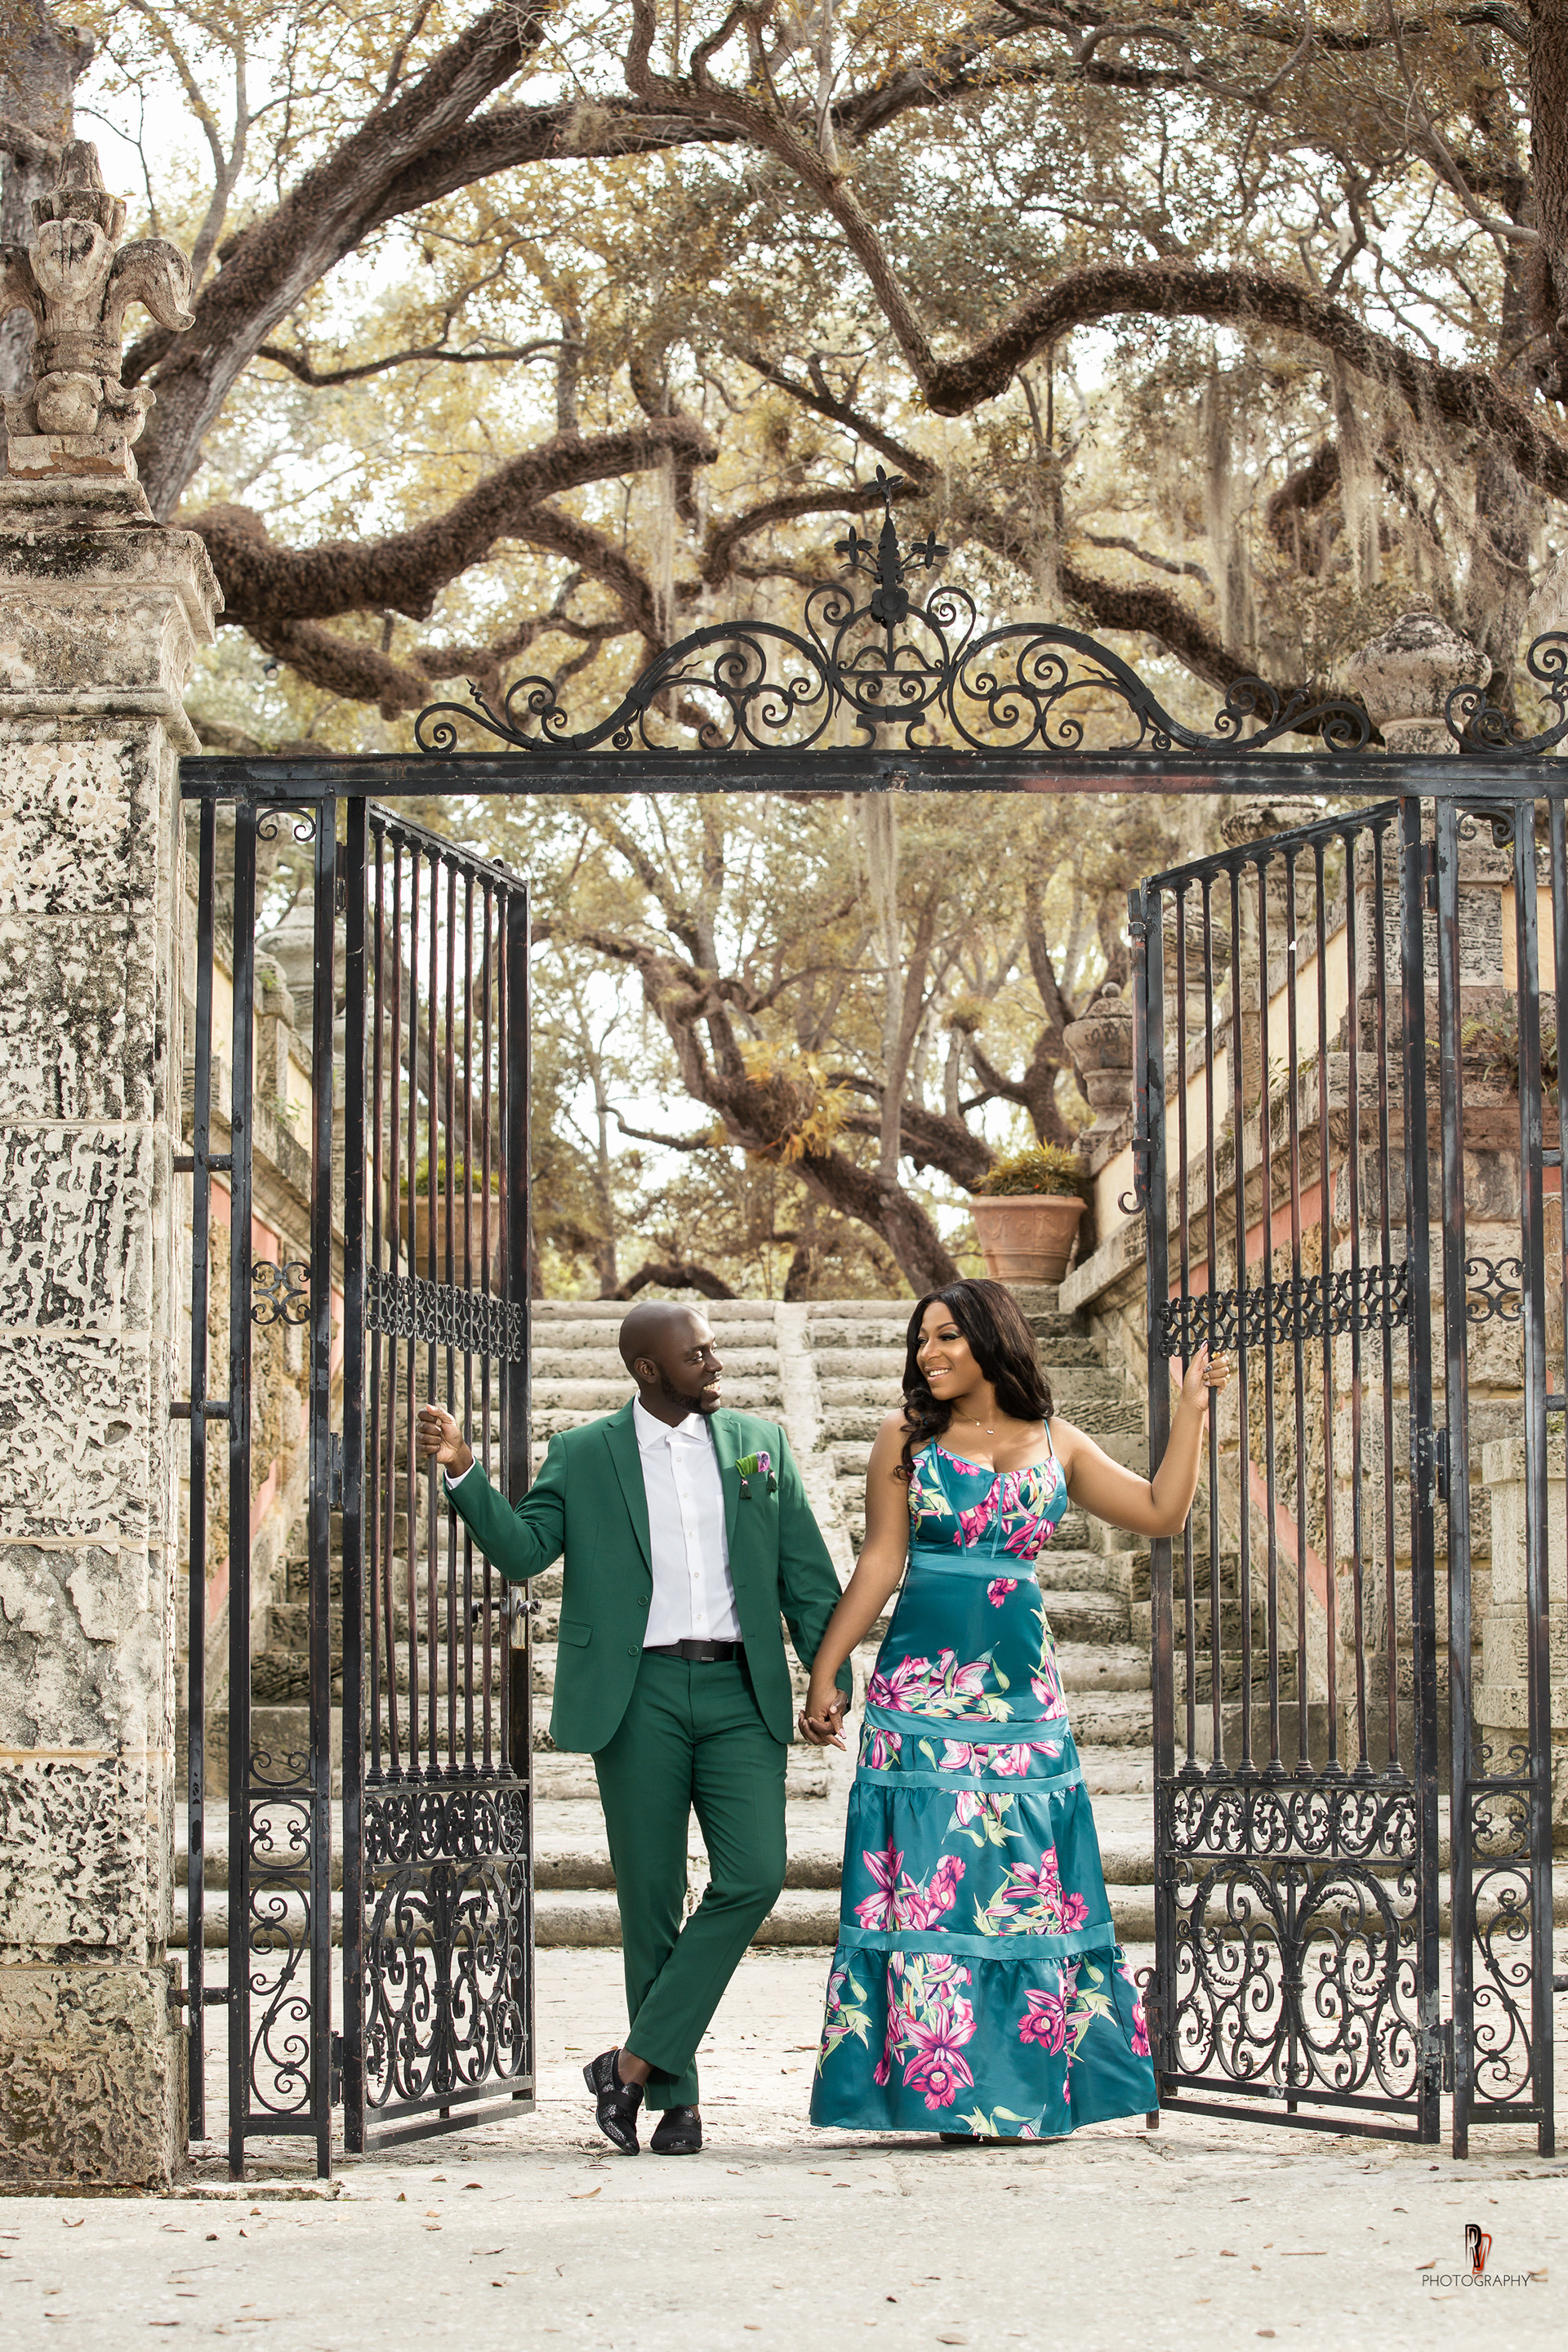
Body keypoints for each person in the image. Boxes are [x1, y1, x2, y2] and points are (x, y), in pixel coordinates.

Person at [798, 1277, 1229, 2142]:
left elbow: (1160, 1511)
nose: (929, 1354)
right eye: (922, 1339)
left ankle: (1026, 2088)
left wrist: (1191, 1413)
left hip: (1024, 1697)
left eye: (947, 1336)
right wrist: (825, 1670)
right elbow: (881, 1561)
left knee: (1029, 1887)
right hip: (919, 1694)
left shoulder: (1057, 1441)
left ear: (991, 1339)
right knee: (929, 1890)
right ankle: (945, 2093)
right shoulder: (906, 1439)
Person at [416, 1301, 849, 2158]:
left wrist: (827, 1673)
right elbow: (525, 1552)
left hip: (741, 1691)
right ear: (649, 1370)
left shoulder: (760, 1444)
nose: (714, 1364)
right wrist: (464, 1469)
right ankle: (674, 2102)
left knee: (755, 1875)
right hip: (637, 1692)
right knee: (650, 1898)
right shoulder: (585, 1453)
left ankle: (631, 2064)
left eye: (712, 1350)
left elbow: (806, 1574)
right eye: (697, 1355)